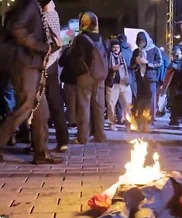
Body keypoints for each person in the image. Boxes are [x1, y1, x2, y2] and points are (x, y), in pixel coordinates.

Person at [0, 0, 63, 163]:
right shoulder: (30, 5)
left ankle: (41, 152)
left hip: (32, 63)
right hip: (25, 64)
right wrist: (43, 47)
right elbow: (17, 28)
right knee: (25, 106)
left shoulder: (34, 6)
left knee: (41, 109)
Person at [69, 11, 108, 144]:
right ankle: (100, 136)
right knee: (99, 107)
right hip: (100, 76)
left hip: (85, 76)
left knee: (83, 106)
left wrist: (78, 72)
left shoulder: (81, 38)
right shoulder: (100, 38)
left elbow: (75, 58)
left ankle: (83, 137)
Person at [41, 0, 69, 152]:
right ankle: (63, 140)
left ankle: (38, 143)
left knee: (39, 106)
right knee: (56, 104)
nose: (55, 5)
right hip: (52, 64)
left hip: (43, 64)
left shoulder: (46, 16)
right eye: (52, 3)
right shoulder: (52, 16)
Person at [131, 31, 162, 131]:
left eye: (143, 41)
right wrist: (135, 62)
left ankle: (151, 120)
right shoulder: (136, 51)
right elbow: (131, 65)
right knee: (139, 99)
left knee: (151, 100)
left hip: (150, 78)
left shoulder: (154, 49)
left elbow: (160, 63)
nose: (141, 44)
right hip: (139, 78)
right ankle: (139, 119)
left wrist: (148, 63)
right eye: (139, 41)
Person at [105, 39, 132, 131]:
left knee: (127, 104)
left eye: (117, 47)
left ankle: (128, 123)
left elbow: (130, 65)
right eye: (114, 47)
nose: (116, 49)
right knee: (111, 104)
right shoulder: (108, 56)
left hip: (124, 83)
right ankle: (111, 123)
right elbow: (104, 69)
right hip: (113, 84)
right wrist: (112, 69)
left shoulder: (124, 56)